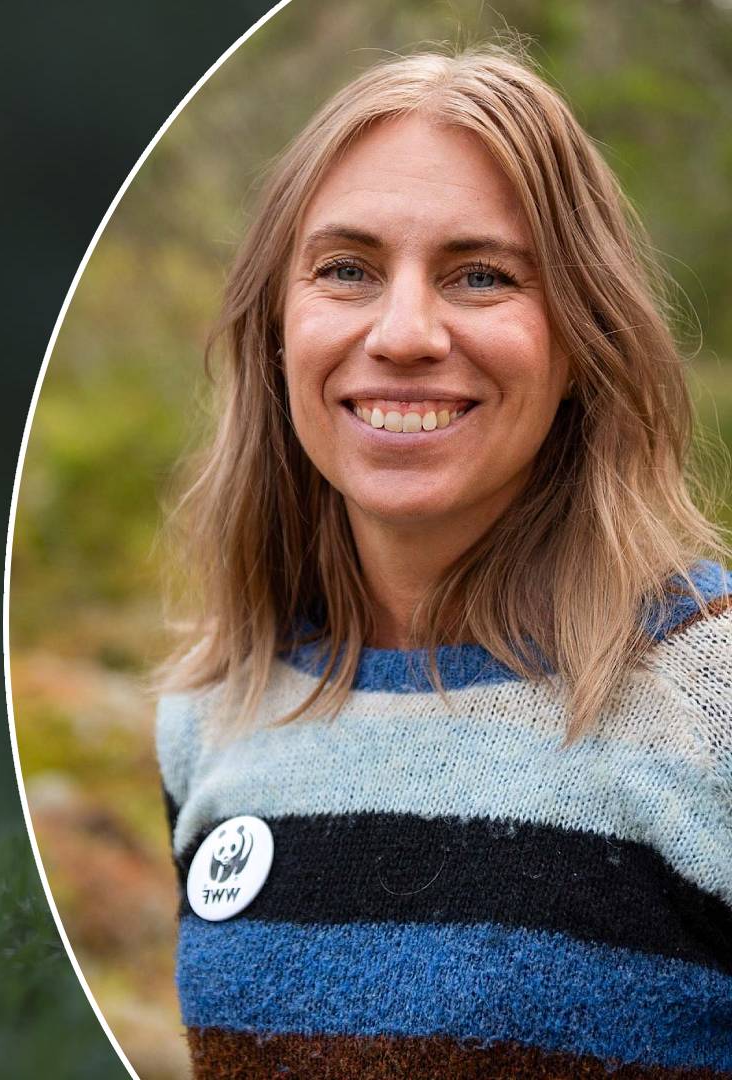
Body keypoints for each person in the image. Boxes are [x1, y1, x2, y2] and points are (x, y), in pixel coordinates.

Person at [153, 44, 732, 1077]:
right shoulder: (212, 712)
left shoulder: (713, 696)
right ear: (276, 328)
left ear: (582, 340)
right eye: (346, 270)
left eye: (481, 275)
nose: (406, 333)